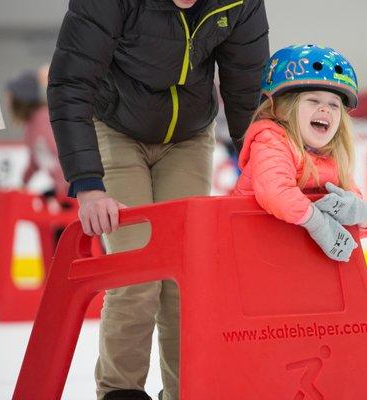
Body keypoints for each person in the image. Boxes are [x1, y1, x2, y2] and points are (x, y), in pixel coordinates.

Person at [47, 0, 269, 398]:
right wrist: (89, 184)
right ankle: (120, 391)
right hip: (115, 128)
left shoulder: (239, 2)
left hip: (187, 138)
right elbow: (71, 83)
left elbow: (246, 89)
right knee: (137, 274)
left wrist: (263, 169)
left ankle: (187, 391)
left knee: (182, 280)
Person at [233, 44, 367, 262]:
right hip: (252, 255)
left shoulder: (332, 157)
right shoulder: (271, 141)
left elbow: (364, 224)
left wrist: (362, 214)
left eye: (334, 105)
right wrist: (318, 223)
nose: (325, 109)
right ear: (282, 109)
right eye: (313, 100)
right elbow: (275, 193)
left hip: (292, 262)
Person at [6, 67, 67, 201]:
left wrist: (62, 188)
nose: (7, 102)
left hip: (72, 189)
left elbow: (61, 153)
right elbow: (36, 159)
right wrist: (22, 183)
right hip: (63, 190)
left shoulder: (42, 118)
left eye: (10, 97)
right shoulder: (31, 124)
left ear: (20, 99)